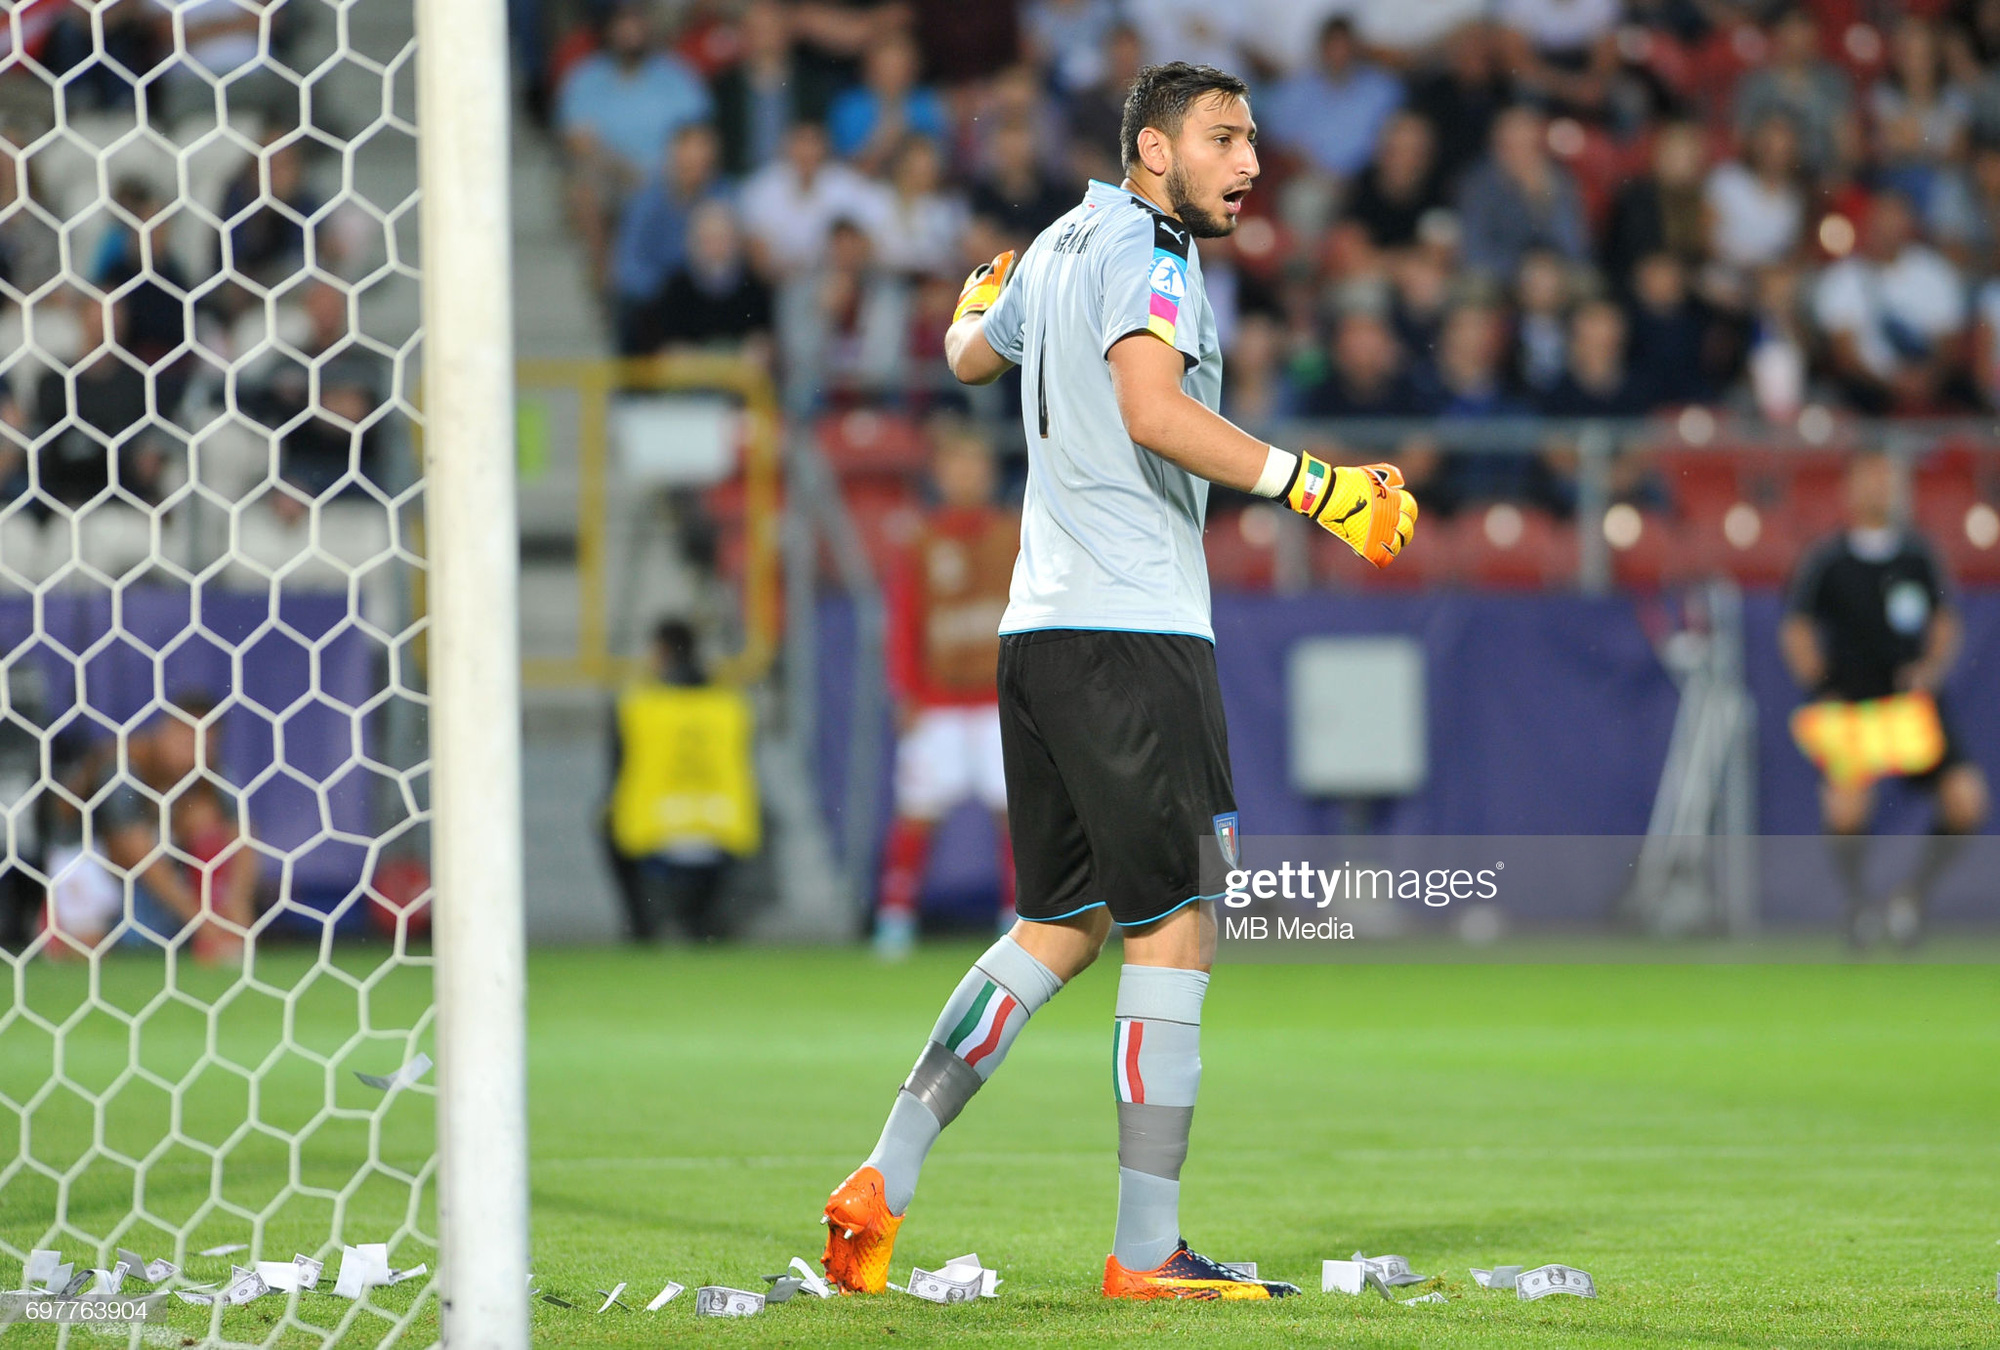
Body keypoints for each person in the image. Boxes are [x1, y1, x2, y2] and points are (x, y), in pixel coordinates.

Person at [818, 60, 1415, 1302]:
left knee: (1060, 925)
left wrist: (971, 305)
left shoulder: (1057, 241)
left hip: (1038, 637)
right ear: (1153, 151)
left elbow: (969, 358)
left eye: (1251, 140)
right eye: (1220, 139)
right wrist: (1320, 486)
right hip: (1132, 636)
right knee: (1180, 921)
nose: (1247, 163)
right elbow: (1151, 409)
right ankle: (1146, 1250)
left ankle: (883, 1177)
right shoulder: (1150, 251)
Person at [1780, 451, 1988, 948]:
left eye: (1887, 479)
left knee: (1966, 800)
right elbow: (1797, 628)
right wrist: (1820, 686)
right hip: (1852, 705)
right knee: (1847, 808)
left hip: (1909, 707)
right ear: (1849, 489)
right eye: (1869, 479)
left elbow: (1944, 621)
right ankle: (1859, 907)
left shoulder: (1917, 556)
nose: (1880, 489)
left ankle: (1910, 899)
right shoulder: (1829, 559)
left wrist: (1931, 670)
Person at [872, 426, 1021, 959]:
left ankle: (1017, 920)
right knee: (916, 811)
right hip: (938, 702)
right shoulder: (921, 542)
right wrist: (905, 692)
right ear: (940, 475)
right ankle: (895, 918)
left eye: (976, 465)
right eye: (957, 465)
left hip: (997, 701)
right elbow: (904, 623)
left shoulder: (1016, 534)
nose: (967, 476)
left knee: (1016, 814)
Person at [603, 620, 760, 941]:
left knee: (607, 823)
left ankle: (641, 926)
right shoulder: (730, 704)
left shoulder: (637, 705)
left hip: (653, 828)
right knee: (761, 823)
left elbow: (618, 772)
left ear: (660, 653)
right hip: (721, 826)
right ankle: (714, 922)